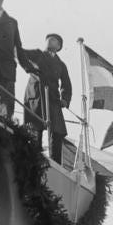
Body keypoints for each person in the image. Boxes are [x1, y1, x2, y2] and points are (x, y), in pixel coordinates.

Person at [22, 34, 72, 164]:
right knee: (34, 128)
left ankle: (55, 164)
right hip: (37, 95)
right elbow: (20, 53)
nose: (50, 40)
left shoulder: (61, 65)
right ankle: (33, 159)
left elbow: (66, 84)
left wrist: (65, 99)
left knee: (57, 131)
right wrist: (29, 67)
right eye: (48, 38)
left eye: (54, 39)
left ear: (59, 46)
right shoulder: (37, 54)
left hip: (53, 99)